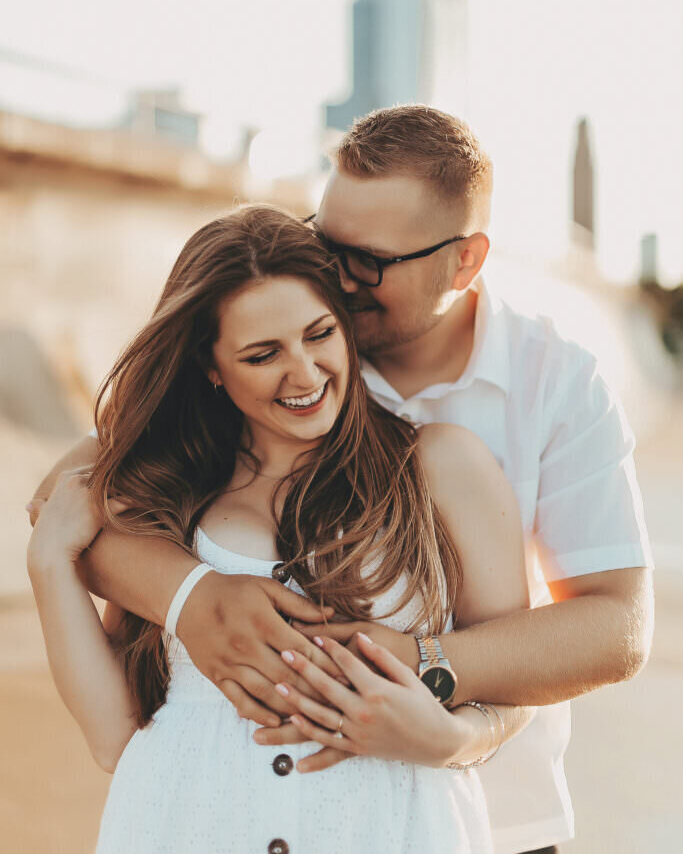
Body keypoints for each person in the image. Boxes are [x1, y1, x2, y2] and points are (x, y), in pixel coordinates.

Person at [29, 106, 654, 854]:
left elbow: (615, 629)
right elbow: (75, 500)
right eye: (326, 240)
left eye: (370, 260)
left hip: (488, 812)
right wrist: (187, 595)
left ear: (464, 260)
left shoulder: (550, 385)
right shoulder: (287, 323)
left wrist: (421, 671)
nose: (338, 275)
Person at [27, 205, 533, 853]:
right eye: (263, 354)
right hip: (180, 824)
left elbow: (518, 680)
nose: (304, 374)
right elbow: (111, 736)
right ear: (210, 367)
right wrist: (48, 565)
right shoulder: (170, 497)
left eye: (319, 333)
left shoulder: (437, 466)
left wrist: (459, 740)